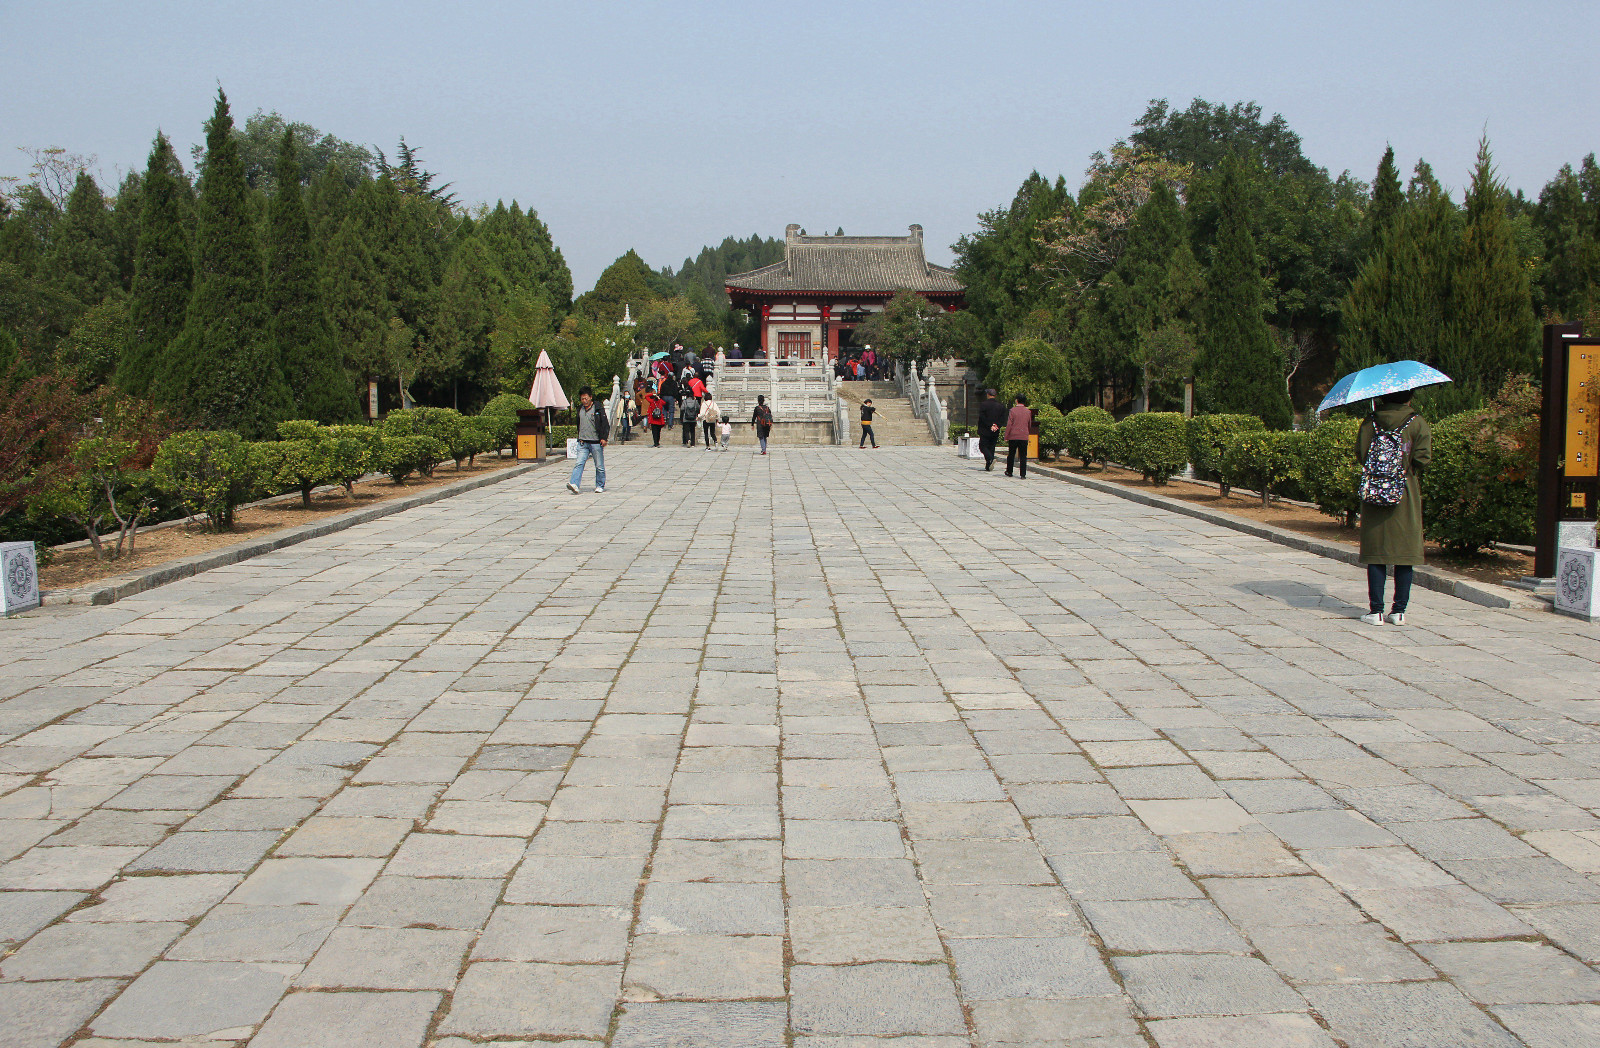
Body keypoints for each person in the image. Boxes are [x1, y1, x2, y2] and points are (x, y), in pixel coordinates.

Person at [1357, 390, 1432, 625]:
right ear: (1409, 397)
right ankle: (1398, 611)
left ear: (1382, 396)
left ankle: (1376, 611)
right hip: (1405, 492)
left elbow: (1361, 454)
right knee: (1404, 553)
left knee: (1376, 553)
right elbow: (1423, 458)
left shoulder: (1370, 422)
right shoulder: (1417, 422)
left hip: (1375, 491)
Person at [566, 386, 609, 494]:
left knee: (599, 466)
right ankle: (574, 484)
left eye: (586, 398)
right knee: (579, 463)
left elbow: (605, 424)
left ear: (590, 397)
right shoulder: (580, 409)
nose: (584, 401)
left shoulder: (598, 409)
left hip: (596, 442)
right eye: (582, 399)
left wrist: (604, 438)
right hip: (583, 443)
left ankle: (600, 485)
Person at [977, 388, 1007, 471]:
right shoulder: (1000, 406)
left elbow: (982, 417)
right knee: (991, 447)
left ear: (988, 395)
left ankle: (990, 459)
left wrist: (990, 425)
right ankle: (988, 465)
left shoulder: (984, 404)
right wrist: (997, 425)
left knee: (982, 446)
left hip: (985, 429)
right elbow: (1003, 418)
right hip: (995, 430)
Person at [1004, 394, 1032, 479]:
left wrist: (1006, 435)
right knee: (1023, 456)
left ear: (1017, 400)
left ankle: (1009, 471)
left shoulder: (1012, 410)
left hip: (1013, 436)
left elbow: (1009, 424)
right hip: (1023, 436)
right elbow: (1029, 424)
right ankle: (1023, 474)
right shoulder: (1028, 411)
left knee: (1011, 454)